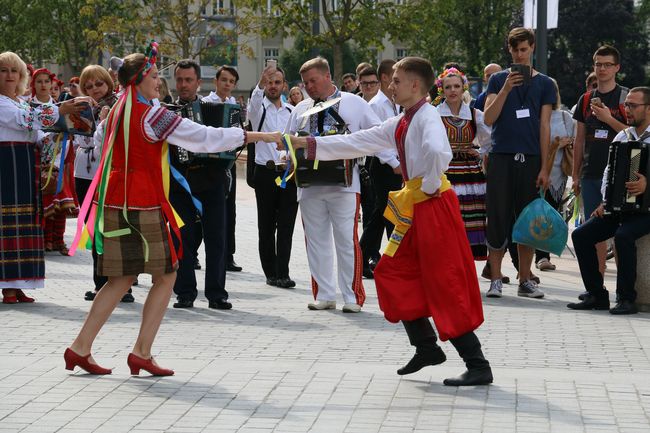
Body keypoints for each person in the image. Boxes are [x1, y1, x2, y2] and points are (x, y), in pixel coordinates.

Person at [65, 45, 281, 375]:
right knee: (167, 274)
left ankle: (80, 348)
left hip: (116, 200)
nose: (158, 80)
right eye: (153, 75)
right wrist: (260, 135)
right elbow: (205, 137)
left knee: (120, 279)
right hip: (141, 204)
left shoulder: (120, 108)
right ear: (138, 80)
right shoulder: (152, 114)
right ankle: (140, 352)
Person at [289, 56, 492, 386]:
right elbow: (357, 141)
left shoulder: (425, 118)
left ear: (415, 85)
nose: (390, 86)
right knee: (391, 272)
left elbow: (440, 153)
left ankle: (477, 363)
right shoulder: (404, 120)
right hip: (418, 206)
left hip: (432, 207)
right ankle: (427, 346)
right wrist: (308, 145)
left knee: (443, 281)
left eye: (396, 81)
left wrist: (424, 186)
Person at [284, 57, 380, 313]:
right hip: (308, 184)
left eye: (313, 81)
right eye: (305, 83)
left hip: (345, 184)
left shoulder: (354, 102)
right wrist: (285, 156)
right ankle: (324, 294)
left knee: (346, 241)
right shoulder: (300, 108)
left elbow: (376, 134)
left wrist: (392, 161)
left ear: (327, 76)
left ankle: (352, 297)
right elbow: (286, 141)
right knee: (315, 241)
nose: (309, 87)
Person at [0, 51, 88, 304]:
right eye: (3, 70)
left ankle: (18, 284)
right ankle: (7, 285)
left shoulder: (18, 102)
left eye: (14, 71)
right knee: (9, 222)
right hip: (7, 165)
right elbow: (26, 121)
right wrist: (60, 110)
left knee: (27, 221)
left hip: (25, 163)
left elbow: (37, 135)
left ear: (20, 76)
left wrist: (59, 135)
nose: (9, 75)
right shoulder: (4, 103)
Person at [483, 27, 555, 299]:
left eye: (523, 49)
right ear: (509, 51)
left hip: (532, 159)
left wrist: (546, 167)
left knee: (528, 220)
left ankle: (526, 278)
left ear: (532, 48)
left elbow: (545, 126)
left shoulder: (546, 83)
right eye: (514, 50)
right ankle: (497, 278)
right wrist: (505, 89)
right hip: (501, 157)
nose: (519, 54)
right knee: (498, 217)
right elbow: (488, 119)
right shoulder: (498, 80)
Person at [567, 87, 650, 315]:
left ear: (648, 109)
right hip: (620, 208)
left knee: (623, 236)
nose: (627, 110)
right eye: (627, 105)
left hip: (646, 211)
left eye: (633, 105)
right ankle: (597, 294)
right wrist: (607, 201)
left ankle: (626, 299)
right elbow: (609, 172)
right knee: (581, 235)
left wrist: (646, 186)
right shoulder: (624, 136)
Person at [170, 59, 234, 310]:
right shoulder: (167, 111)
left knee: (217, 238)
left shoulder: (213, 108)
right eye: (179, 80)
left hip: (212, 179)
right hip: (180, 182)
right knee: (182, 238)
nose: (183, 85)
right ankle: (185, 292)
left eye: (188, 80)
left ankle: (217, 293)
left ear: (198, 82)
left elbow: (228, 140)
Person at [572, 45, 628, 280]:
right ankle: (596, 286)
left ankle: (626, 288)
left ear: (617, 68)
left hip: (621, 176)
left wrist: (608, 118)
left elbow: (633, 134)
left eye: (607, 65)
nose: (602, 69)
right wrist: (575, 175)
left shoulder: (627, 98)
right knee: (593, 232)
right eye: (598, 64)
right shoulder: (586, 99)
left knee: (623, 233)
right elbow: (579, 140)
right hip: (591, 173)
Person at [76, 64, 124, 302]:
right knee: (93, 230)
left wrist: (104, 120)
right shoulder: (81, 107)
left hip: (107, 172)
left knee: (111, 229)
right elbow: (76, 139)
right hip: (83, 173)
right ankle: (100, 284)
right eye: (88, 85)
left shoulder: (118, 104)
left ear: (109, 83)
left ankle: (120, 286)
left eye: (99, 83)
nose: (94, 89)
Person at [248, 64, 298, 288]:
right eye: (270, 82)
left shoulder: (290, 111)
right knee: (266, 225)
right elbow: (254, 104)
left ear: (284, 85)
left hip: (288, 173)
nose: (273, 86)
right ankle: (270, 271)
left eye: (277, 82)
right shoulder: (259, 109)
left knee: (286, 225)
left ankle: (283, 272)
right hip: (265, 173)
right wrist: (260, 81)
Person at [435, 67, 492, 260]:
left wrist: (478, 152)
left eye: (456, 86)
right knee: (447, 218)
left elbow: (490, 140)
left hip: (470, 174)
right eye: (448, 86)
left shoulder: (475, 114)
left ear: (463, 88)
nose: (452, 90)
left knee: (470, 218)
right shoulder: (434, 114)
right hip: (445, 171)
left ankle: (466, 265)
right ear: (441, 89)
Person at [360, 59, 402, 278]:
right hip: (383, 165)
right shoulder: (376, 105)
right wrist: (395, 164)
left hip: (394, 163)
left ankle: (362, 257)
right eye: (394, 76)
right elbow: (376, 140)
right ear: (385, 77)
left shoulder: (393, 102)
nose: (397, 80)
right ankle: (379, 259)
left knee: (381, 214)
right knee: (384, 213)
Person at [31, 68, 79, 256]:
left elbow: (68, 133)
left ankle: (58, 240)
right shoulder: (28, 107)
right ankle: (43, 239)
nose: (43, 85)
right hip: (37, 161)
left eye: (46, 81)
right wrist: (45, 139)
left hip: (59, 161)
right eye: (39, 81)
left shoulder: (61, 106)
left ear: (52, 84)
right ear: (33, 85)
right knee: (41, 203)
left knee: (59, 203)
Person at [203, 65, 242, 272]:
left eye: (231, 81)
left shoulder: (234, 105)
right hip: (208, 163)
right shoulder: (205, 103)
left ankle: (228, 255)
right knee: (204, 211)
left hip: (228, 162)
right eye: (224, 80)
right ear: (215, 81)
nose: (227, 84)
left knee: (230, 210)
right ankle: (196, 254)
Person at [535, 79, 574, 271]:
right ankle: (540, 257)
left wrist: (568, 143)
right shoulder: (533, 114)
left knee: (550, 214)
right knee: (539, 214)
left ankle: (543, 255)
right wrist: (555, 145)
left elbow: (576, 139)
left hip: (560, 174)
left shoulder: (565, 117)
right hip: (538, 172)